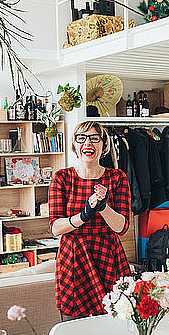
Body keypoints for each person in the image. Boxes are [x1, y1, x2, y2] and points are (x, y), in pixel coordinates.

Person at [48, 121, 132, 321]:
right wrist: (84, 215)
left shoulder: (117, 178)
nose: (88, 143)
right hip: (74, 258)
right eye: (82, 138)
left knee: (114, 324)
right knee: (73, 328)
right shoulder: (62, 178)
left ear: (104, 146)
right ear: (74, 146)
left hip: (109, 257)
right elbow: (56, 227)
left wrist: (103, 206)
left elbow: (121, 227)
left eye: (95, 138)